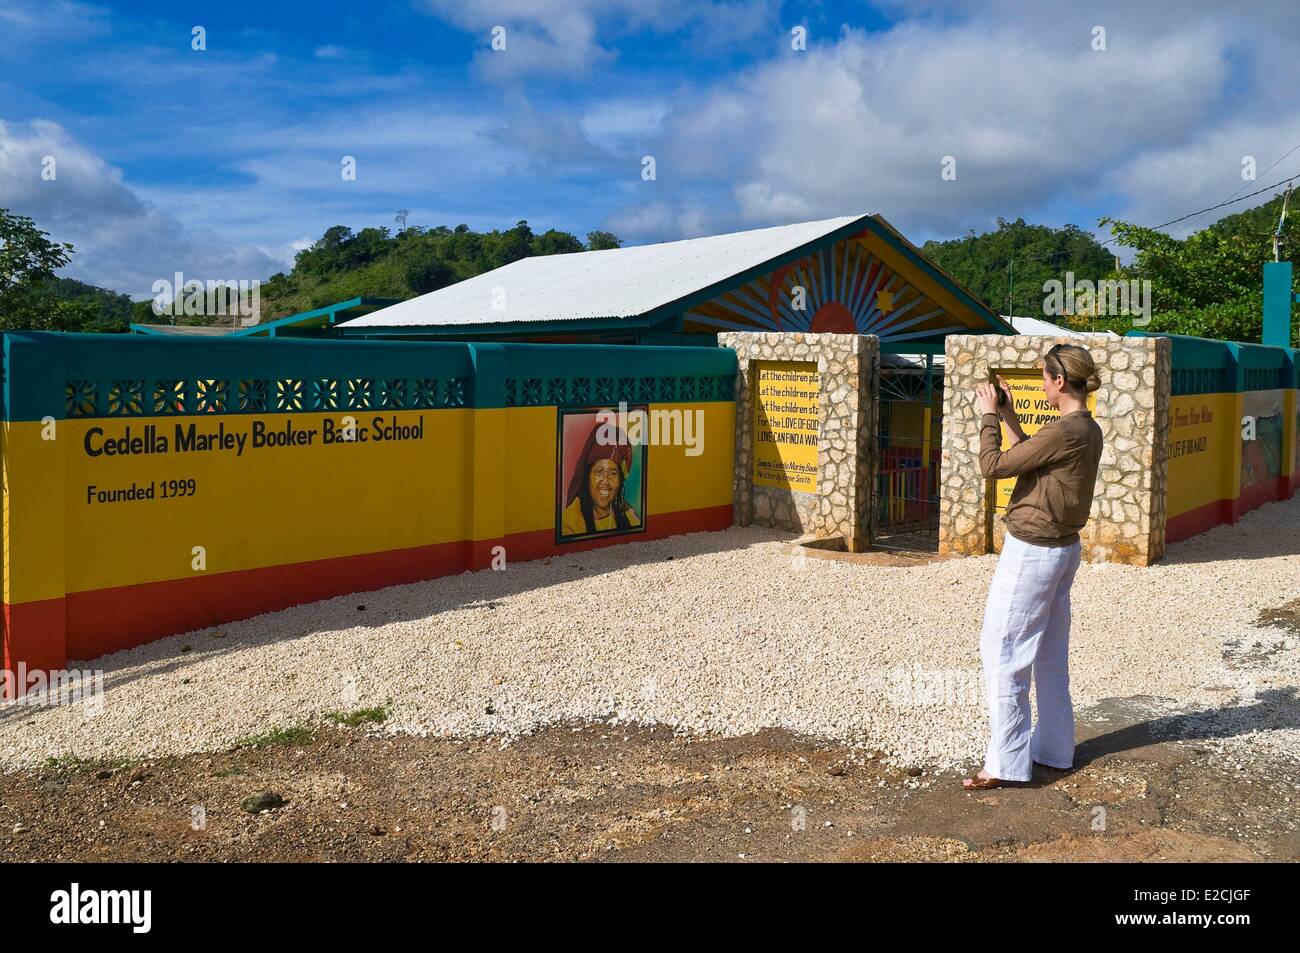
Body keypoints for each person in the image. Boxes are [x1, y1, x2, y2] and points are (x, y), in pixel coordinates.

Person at [963, 343, 1104, 791]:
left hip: (1033, 554)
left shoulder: (1066, 431)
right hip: (1061, 550)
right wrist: (1008, 418)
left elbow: (994, 466)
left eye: (1045, 377)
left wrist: (987, 414)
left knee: (1002, 651)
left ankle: (1005, 763)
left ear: (1060, 381)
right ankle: (1055, 750)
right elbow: (1031, 458)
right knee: (1048, 653)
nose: (1042, 384)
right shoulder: (1084, 427)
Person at [560, 425, 642, 538]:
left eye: (613, 473)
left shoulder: (627, 513)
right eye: (599, 472)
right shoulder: (571, 521)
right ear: (588, 477)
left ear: (620, 480)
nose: (605, 481)